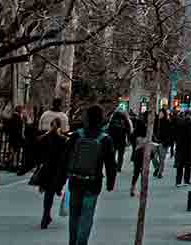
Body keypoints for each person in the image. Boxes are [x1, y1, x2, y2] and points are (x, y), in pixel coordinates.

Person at [66, 104, 118, 245]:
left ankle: (72, 241)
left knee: (74, 215)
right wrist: (110, 182)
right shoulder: (105, 139)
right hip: (93, 183)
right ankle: (81, 242)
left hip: (75, 180)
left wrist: (63, 177)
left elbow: (66, 157)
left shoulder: (77, 135)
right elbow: (110, 164)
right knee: (87, 216)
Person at [29, 116, 69, 229]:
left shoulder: (43, 138)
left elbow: (36, 154)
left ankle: (46, 215)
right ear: (60, 127)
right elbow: (65, 158)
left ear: (50, 125)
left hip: (46, 169)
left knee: (48, 195)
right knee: (51, 192)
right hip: (58, 170)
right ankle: (47, 215)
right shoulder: (64, 140)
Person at [106, 106, 132, 173]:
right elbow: (128, 129)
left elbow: (108, 129)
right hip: (121, 139)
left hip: (113, 139)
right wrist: (129, 139)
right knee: (121, 155)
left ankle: (113, 165)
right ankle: (119, 167)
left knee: (113, 154)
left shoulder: (113, 118)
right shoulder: (125, 118)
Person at [173, 111, 191, 186]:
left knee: (180, 165)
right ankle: (186, 180)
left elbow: (175, 134)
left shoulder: (180, 123)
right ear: (190, 115)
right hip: (188, 146)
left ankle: (178, 181)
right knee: (188, 164)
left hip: (180, 146)